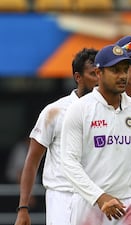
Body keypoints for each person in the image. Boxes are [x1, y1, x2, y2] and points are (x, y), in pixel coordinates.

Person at [60, 44, 131, 225]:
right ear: (99, 73)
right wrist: (100, 197)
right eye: (115, 70)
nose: (122, 76)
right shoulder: (79, 109)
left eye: (125, 70)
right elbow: (68, 162)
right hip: (91, 204)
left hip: (130, 202)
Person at [14, 48, 98, 225]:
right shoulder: (54, 111)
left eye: (101, 73)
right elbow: (32, 160)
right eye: (93, 74)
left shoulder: (111, 110)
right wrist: (23, 207)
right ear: (78, 77)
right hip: (62, 196)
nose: (99, 79)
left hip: (97, 197)